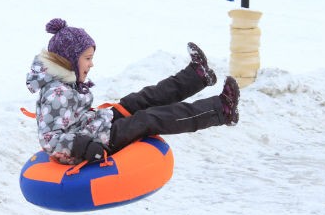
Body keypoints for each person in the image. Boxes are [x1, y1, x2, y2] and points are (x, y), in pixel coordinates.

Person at [26, 18, 240, 165]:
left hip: (96, 126)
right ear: (68, 59)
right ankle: (222, 110)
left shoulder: (65, 83)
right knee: (149, 118)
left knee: (139, 100)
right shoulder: (57, 94)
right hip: (96, 142)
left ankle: (197, 76)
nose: (91, 64)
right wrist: (85, 147)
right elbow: (49, 138)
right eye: (87, 58)